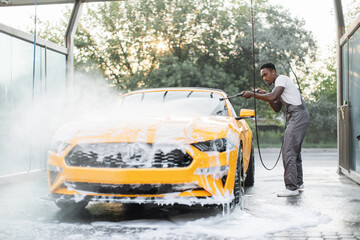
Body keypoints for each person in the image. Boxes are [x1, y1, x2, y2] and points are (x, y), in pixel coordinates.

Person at [241, 63, 310, 197]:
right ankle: (298, 183)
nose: (264, 78)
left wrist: (253, 95)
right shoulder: (277, 87)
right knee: (294, 150)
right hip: (295, 116)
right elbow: (276, 107)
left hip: (297, 115)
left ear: (273, 72)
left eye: (266, 74)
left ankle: (291, 188)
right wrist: (264, 94)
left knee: (288, 150)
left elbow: (273, 96)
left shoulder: (281, 79)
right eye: (262, 76)